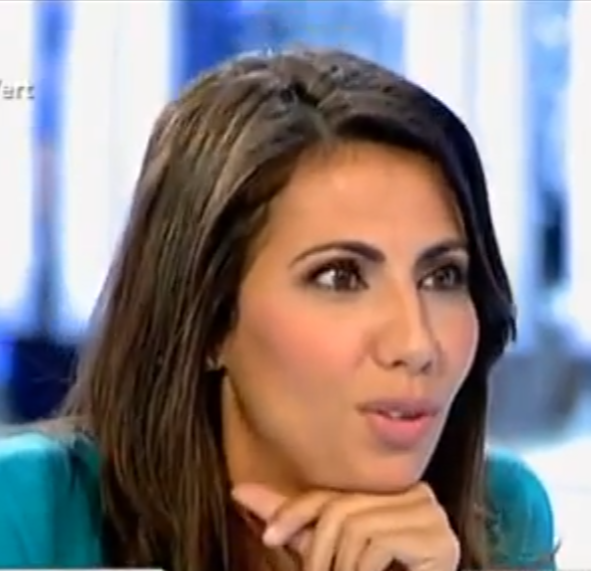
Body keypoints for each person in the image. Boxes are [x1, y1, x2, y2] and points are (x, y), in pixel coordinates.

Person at [0, 49, 555, 571]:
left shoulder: (501, 516)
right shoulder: (27, 516)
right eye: (340, 277)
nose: (417, 344)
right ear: (209, 321)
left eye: (442, 276)